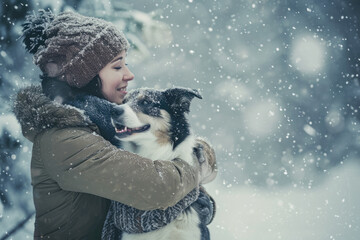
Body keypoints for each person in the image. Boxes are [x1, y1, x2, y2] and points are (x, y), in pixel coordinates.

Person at [13, 9, 217, 240]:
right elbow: (158, 187)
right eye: (117, 66)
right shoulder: (64, 139)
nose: (129, 75)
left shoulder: (104, 126)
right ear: (85, 76)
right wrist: (194, 159)